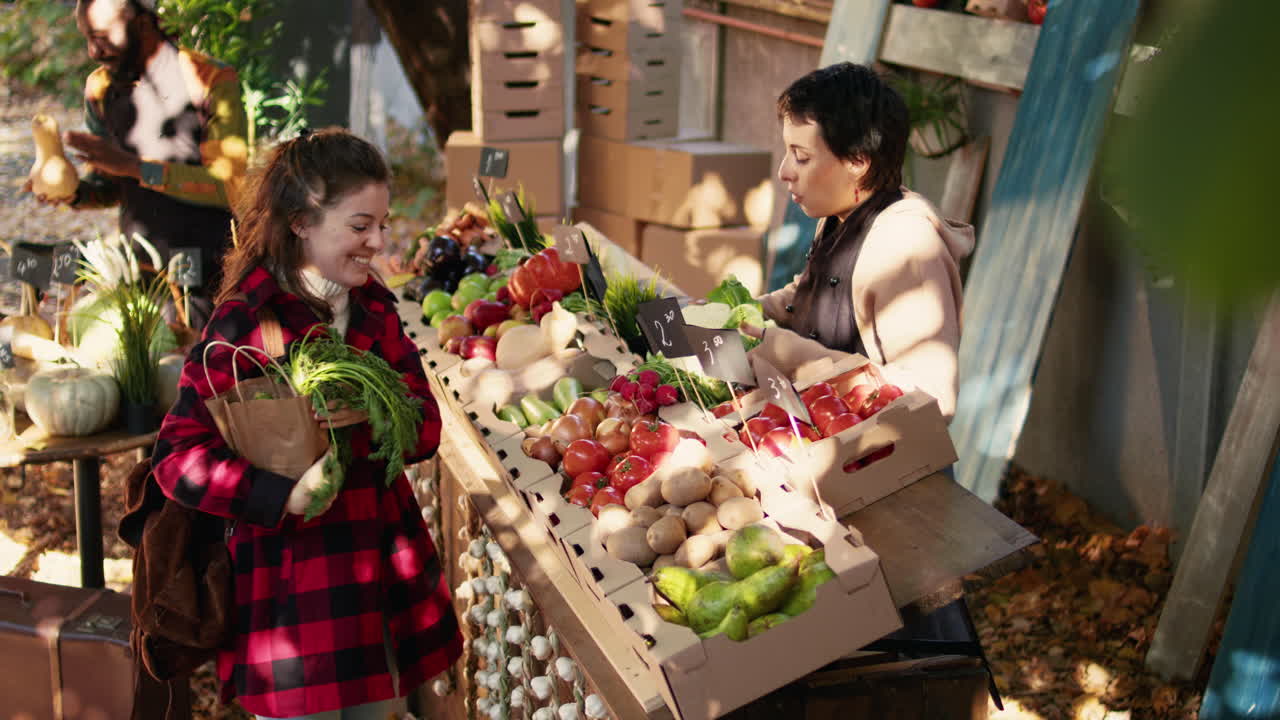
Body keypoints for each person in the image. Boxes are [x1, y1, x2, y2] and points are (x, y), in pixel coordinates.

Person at [150, 128, 462, 719]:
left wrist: (378, 412)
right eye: (360, 225)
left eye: (383, 224)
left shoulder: (374, 308)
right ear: (301, 224)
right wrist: (283, 495)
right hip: (295, 596)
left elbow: (426, 428)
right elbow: (176, 456)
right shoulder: (246, 322)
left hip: (378, 584)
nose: (379, 241)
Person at [751, 62, 974, 421]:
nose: (784, 172)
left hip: (887, 468)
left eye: (802, 157)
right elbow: (812, 293)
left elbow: (932, 398)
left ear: (858, 161)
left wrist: (799, 355)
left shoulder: (905, 245)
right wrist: (743, 315)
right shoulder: (841, 214)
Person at [24, 0, 248, 330]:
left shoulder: (211, 80)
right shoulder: (99, 88)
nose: (93, 51)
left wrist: (136, 168)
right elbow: (109, 187)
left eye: (101, 36)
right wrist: (75, 195)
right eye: (87, 37)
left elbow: (226, 185)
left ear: (143, 25)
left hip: (209, 269)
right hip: (141, 268)